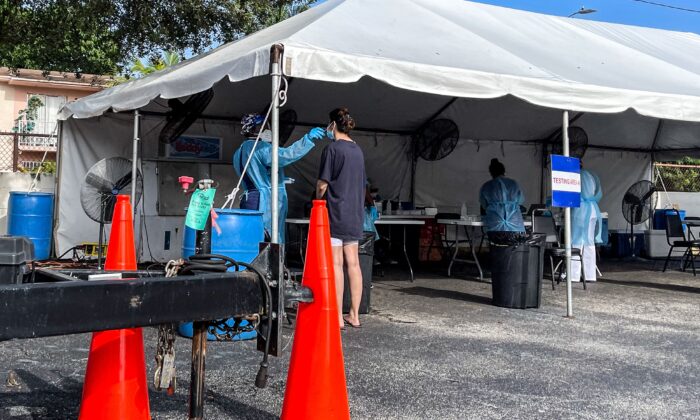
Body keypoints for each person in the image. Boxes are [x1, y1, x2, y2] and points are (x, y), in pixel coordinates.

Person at [233, 113, 325, 244]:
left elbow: (256, 173)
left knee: (251, 239)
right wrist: (308, 139)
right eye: (264, 126)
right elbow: (286, 155)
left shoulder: (240, 151)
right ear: (254, 129)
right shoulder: (261, 148)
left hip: (249, 199)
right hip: (264, 201)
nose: (268, 130)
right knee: (270, 240)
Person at [316, 107, 365, 329]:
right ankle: (354, 315)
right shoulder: (358, 150)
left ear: (333, 125)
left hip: (336, 212)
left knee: (336, 263)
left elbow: (322, 184)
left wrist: (317, 199)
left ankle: (337, 316)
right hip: (355, 213)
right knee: (353, 263)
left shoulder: (332, 150)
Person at [479, 158, 526, 244]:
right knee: (516, 252)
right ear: (504, 171)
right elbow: (520, 201)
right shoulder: (514, 184)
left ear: (491, 173)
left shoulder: (486, 186)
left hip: (495, 230)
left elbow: (484, 206)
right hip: (516, 229)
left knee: (498, 250)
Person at [571, 163, 603, 282]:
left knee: (576, 242)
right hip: (593, 210)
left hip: (581, 210)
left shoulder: (575, 175)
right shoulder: (590, 175)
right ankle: (590, 275)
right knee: (589, 243)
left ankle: (573, 275)